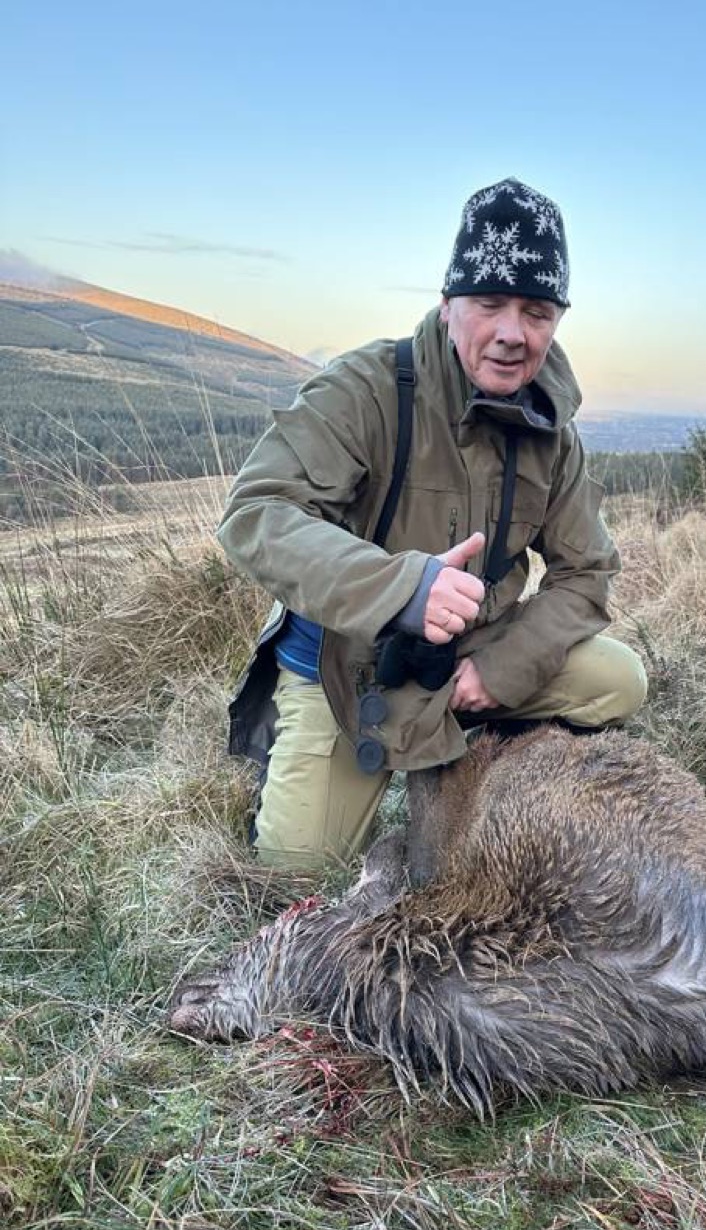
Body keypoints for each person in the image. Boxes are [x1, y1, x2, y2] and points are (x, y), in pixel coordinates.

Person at [219, 177, 647, 869]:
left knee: (619, 680)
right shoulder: (364, 389)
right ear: (448, 304)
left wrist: (502, 668)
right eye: (490, 303)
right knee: (295, 870)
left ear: (558, 319)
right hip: (350, 671)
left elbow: (587, 572)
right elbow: (257, 513)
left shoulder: (554, 433)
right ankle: (310, 756)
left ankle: (484, 749)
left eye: (537, 311)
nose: (513, 333)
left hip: (465, 662)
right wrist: (403, 589)